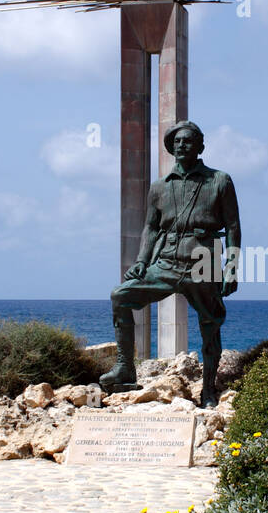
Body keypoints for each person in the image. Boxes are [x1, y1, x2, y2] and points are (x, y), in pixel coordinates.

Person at [100, 120, 240, 407]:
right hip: (166, 262)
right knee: (121, 296)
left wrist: (232, 267)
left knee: (210, 324)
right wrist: (142, 261)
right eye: (176, 142)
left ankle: (209, 388)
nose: (181, 145)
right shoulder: (159, 188)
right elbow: (151, 228)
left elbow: (234, 226)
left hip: (203, 262)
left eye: (188, 141)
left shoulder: (219, 180)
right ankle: (126, 368)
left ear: (200, 146)